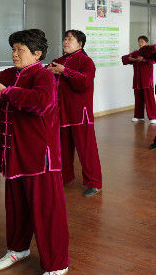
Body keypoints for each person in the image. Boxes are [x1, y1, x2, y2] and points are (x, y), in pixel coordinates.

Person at [0, 29, 69, 275]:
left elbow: (41, 102)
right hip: (13, 152)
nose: (15, 54)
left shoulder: (43, 76)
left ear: (37, 54)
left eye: (20, 50)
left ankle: (57, 264)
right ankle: (18, 249)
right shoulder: (9, 74)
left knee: (47, 211)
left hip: (39, 155)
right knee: (16, 207)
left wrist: (4, 92)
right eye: (13, 49)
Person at [48, 30, 102, 197]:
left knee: (86, 150)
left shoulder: (86, 61)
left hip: (80, 113)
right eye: (64, 39)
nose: (65, 42)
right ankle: (65, 177)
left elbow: (84, 83)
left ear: (80, 44)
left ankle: (94, 183)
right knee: (63, 149)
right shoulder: (58, 60)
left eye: (70, 39)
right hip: (61, 112)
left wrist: (65, 71)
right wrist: (48, 72)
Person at [122, 36, 156, 123]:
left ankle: (153, 117)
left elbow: (154, 60)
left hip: (147, 80)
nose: (140, 43)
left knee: (149, 99)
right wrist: (129, 59)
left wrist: (144, 59)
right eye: (139, 41)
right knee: (138, 99)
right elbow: (124, 58)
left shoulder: (150, 52)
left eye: (142, 41)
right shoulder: (136, 53)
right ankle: (139, 116)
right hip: (137, 81)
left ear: (146, 43)